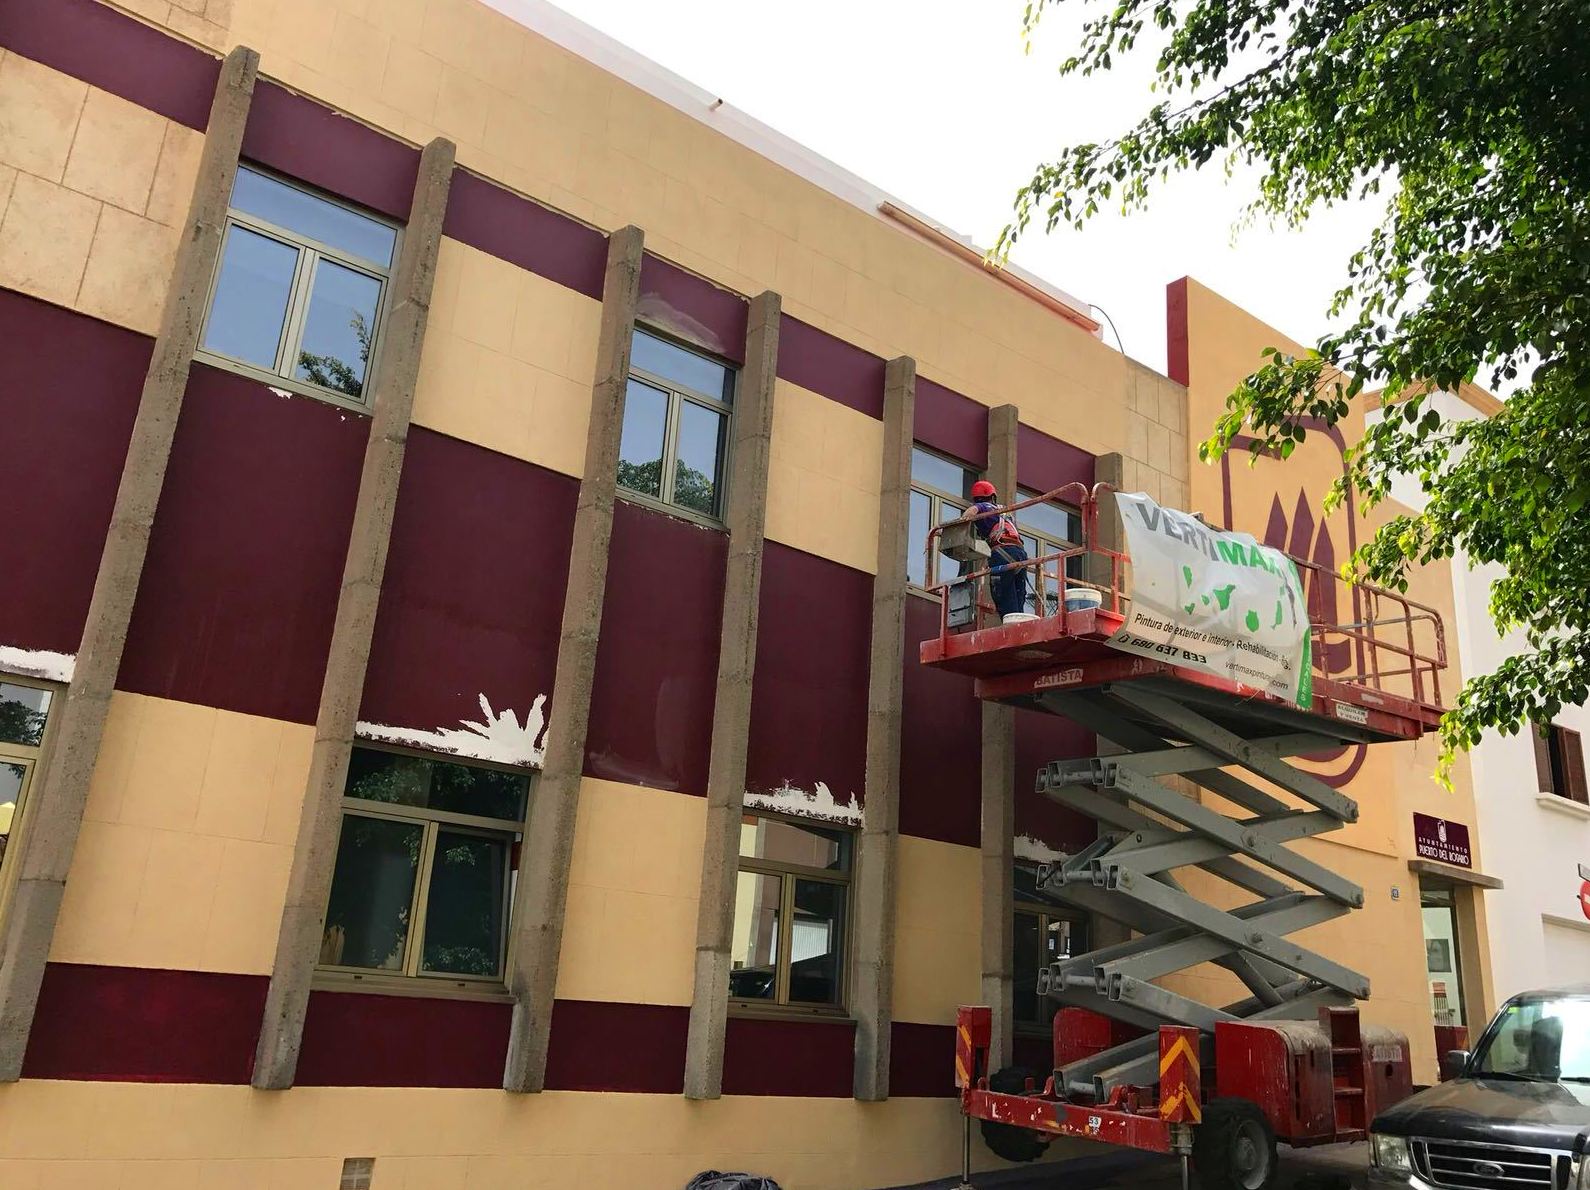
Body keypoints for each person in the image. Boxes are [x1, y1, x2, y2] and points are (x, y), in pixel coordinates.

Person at [968, 480, 1028, 619]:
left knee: (1002, 595)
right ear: (993, 496)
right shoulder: (1005, 512)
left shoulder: (983, 506)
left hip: (1002, 554)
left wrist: (958, 524)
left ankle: (1012, 628)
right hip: (1020, 554)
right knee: (1019, 598)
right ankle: (1020, 624)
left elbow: (971, 512)